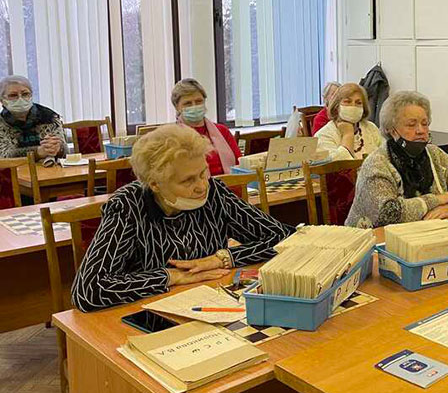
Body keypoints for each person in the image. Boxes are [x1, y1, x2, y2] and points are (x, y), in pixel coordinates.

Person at [71, 124, 293, 311]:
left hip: (210, 301)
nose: (201, 186)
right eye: (187, 181)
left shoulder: (214, 192)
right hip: (150, 309)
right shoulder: (128, 207)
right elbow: (88, 290)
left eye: (203, 173)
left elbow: (285, 237)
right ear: (155, 184)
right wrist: (171, 277)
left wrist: (224, 258)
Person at [345, 91, 448, 228]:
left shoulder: (434, 154)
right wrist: (436, 200)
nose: (421, 130)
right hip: (373, 242)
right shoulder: (377, 163)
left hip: (424, 234)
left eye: (425, 124)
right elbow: (388, 213)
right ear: (391, 130)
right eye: (411, 125)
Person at [171, 78, 241, 176]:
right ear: (177, 107)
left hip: (229, 186)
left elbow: (240, 165)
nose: (194, 106)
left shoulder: (222, 131)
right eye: (188, 103)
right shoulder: (171, 137)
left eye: (198, 101)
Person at [0, 75, 66, 164]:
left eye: (25, 94)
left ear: (31, 95)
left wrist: (58, 149)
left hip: (48, 171)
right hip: (14, 174)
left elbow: (65, 152)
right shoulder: (1, 123)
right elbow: (4, 156)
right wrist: (37, 152)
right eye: (13, 95)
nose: (20, 99)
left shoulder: (49, 117)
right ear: (2, 100)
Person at [315, 83, 382, 161]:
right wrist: (348, 135)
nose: (353, 106)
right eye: (347, 102)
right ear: (337, 106)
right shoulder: (323, 135)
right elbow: (338, 167)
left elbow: (385, 155)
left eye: (358, 103)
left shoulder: (371, 128)